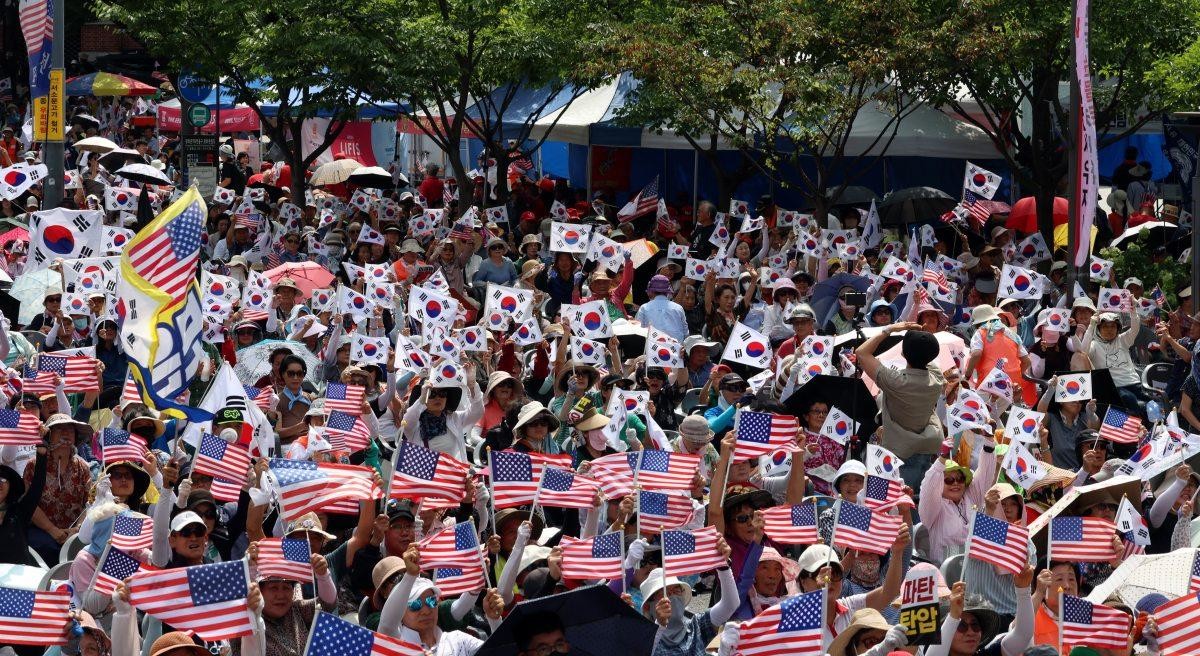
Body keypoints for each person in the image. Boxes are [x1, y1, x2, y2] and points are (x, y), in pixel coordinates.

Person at [857, 324, 945, 493]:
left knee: (898, 503)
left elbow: (861, 352)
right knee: (917, 502)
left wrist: (890, 329)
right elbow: (926, 355)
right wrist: (923, 338)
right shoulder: (936, 379)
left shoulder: (896, 381)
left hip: (899, 455)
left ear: (903, 353)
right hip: (926, 450)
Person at [636, 275, 689, 342]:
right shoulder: (678, 308)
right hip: (676, 347)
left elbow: (638, 331)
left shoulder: (644, 308)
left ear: (651, 291)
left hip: (652, 346)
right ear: (667, 292)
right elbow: (686, 334)